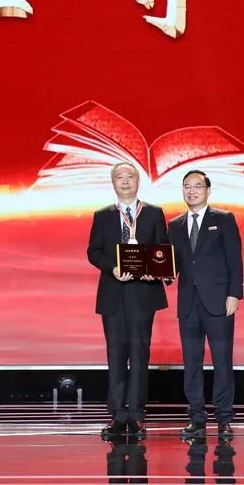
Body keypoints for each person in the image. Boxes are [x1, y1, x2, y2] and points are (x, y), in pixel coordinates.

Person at [87, 161, 169, 439]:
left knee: (140, 354)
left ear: (138, 181)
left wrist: (154, 271)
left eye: (130, 176)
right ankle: (117, 415)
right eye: (119, 177)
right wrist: (112, 268)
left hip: (143, 294)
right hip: (113, 293)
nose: (125, 181)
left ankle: (136, 414)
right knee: (115, 355)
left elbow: (162, 249)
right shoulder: (102, 215)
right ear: (113, 183)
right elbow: (94, 251)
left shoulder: (154, 213)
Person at [167, 169, 244, 440]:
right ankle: (196, 418)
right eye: (187, 186)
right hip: (188, 303)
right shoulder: (175, 225)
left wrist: (234, 294)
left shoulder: (223, 219)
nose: (192, 191)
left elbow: (235, 260)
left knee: (222, 361)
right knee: (192, 363)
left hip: (219, 301)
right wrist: (160, 273)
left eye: (197, 186)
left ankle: (224, 419)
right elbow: (172, 263)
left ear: (207, 190)